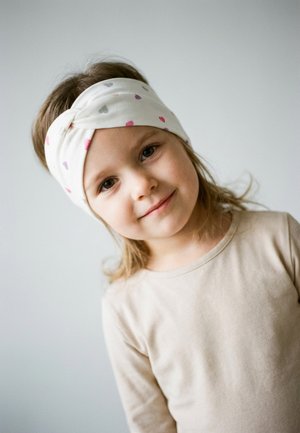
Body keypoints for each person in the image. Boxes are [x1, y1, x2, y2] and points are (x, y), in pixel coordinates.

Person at [32, 60, 300, 433]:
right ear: (92, 209)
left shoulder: (279, 239)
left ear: (178, 136)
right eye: (107, 183)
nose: (142, 185)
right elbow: (152, 425)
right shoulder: (126, 309)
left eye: (147, 152)